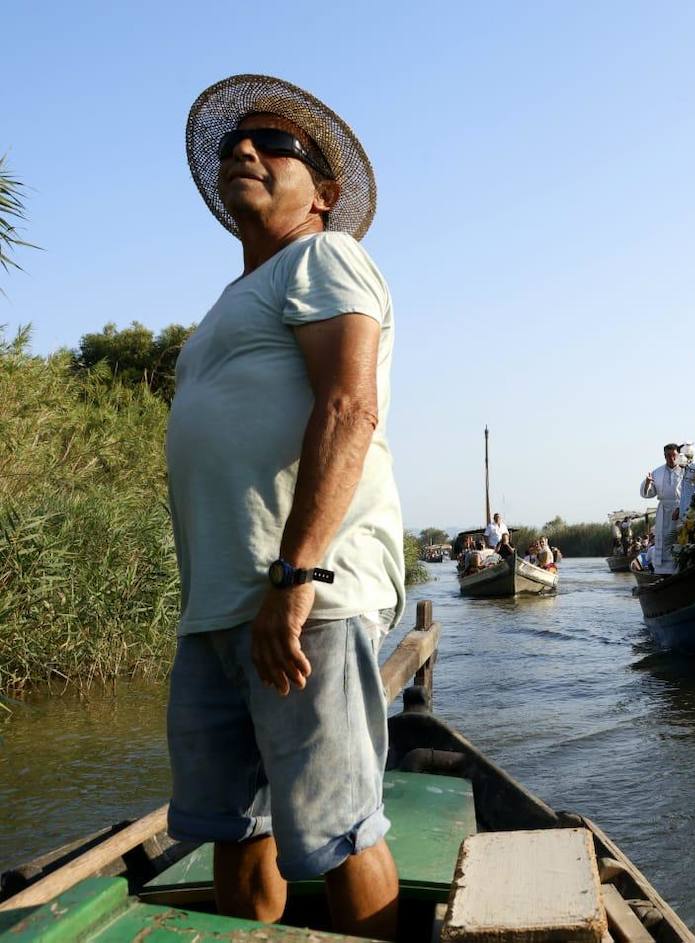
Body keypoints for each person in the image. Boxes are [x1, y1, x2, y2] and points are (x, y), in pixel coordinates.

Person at [165, 75, 400, 938]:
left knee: (337, 831)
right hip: (220, 610)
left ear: (324, 195)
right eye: (236, 145)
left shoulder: (324, 257)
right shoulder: (227, 308)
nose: (245, 152)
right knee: (231, 827)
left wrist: (297, 573)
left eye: (275, 146)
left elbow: (349, 407)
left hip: (306, 596)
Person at [639, 443, 685, 575]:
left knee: (679, 538)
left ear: (677, 455)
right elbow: (647, 493)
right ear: (664, 456)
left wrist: (681, 508)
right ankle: (663, 571)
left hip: (680, 510)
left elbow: (691, 493)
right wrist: (648, 483)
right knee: (663, 538)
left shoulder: (685, 471)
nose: (671, 459)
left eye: (673, 455)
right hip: (664, 510)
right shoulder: (657, 472)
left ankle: (679, 567)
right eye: (668, 456)